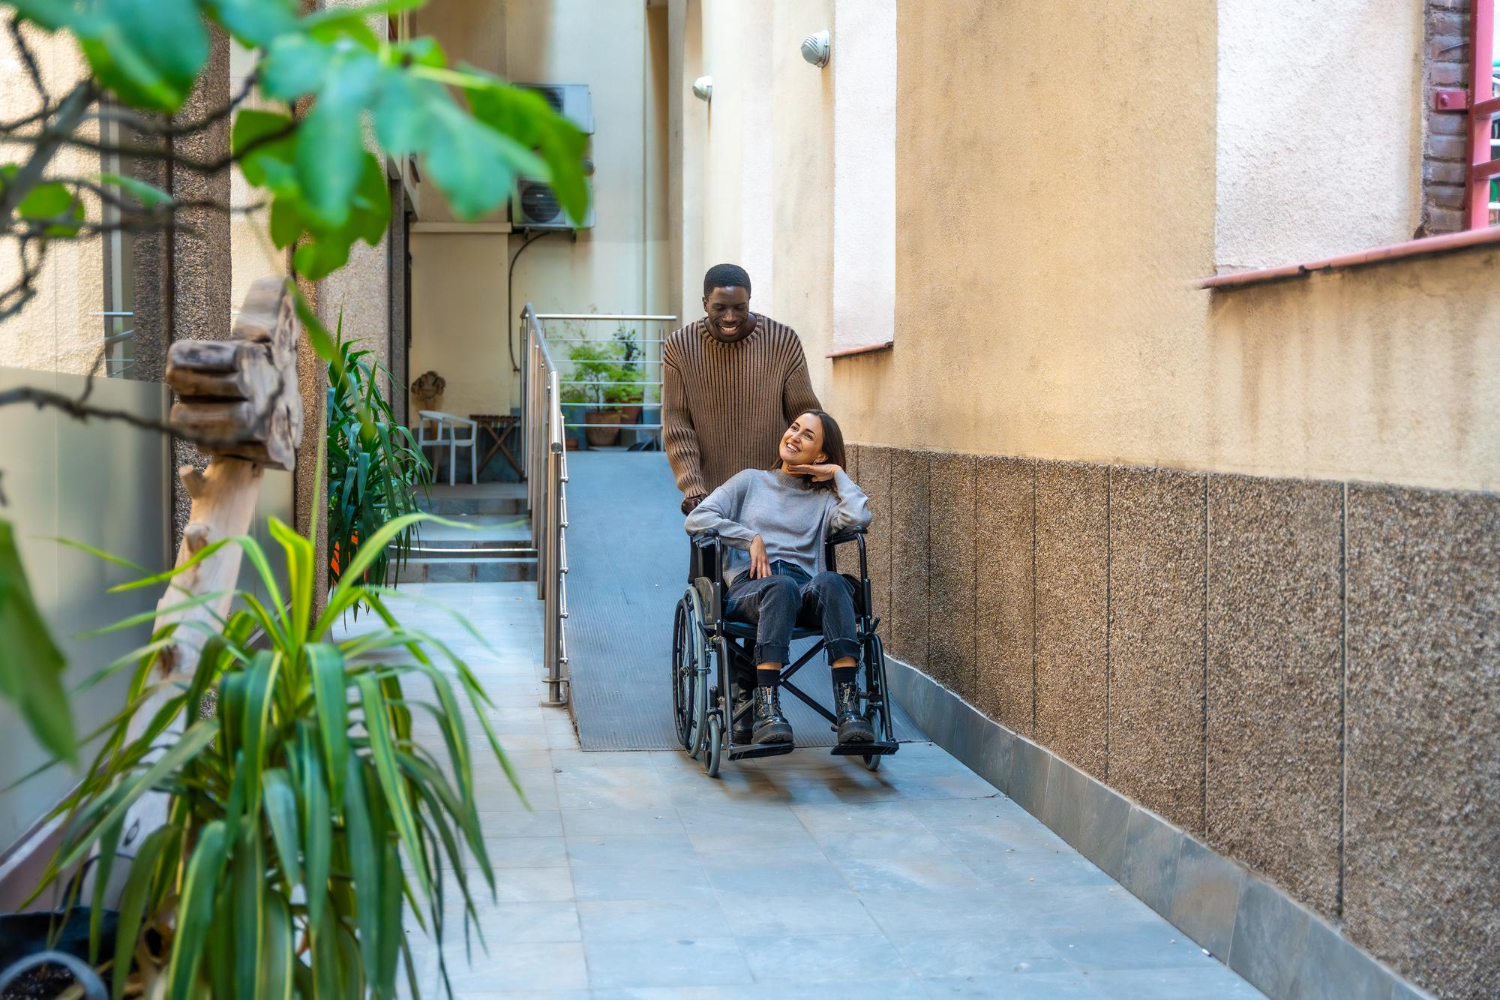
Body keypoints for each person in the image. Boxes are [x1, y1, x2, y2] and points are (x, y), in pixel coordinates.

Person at [685, 409, 873, 747]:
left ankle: (849, 710)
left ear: (822, 454)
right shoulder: (750, 481)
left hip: (805, 590)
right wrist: (748, 538)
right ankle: (767, 707)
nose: (794, 437)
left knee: (831, 581)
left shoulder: (824, 501)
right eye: (794, 428)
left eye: (808, 436)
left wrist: (837, 474)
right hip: (752, 589)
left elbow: (859, 516)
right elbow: (698, 519)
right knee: (781, 586)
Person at [663, 263, 822, 516]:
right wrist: (692, 488)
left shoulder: (783, 341)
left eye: (739, 307)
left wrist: (806, 476)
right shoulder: (680, 346)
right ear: (705, 303)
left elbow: (806, 417)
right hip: (712, 498)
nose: (730, 317)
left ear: (749, 300)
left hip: (776, 493)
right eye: (719, 307)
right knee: (712, 556)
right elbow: (677, 424)